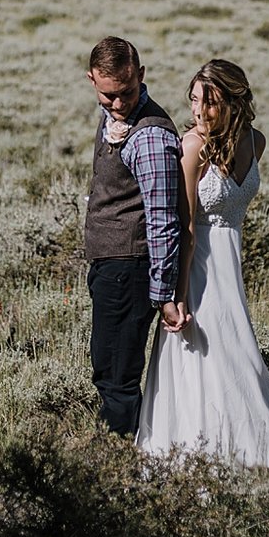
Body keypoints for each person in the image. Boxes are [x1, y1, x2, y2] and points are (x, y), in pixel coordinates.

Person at [136, 58, 269, 469]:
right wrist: (178, 296)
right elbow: (186, 229)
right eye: (193, 100)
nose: (197, 111)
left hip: (227, 266)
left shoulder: (255, 141)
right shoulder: (193, 146)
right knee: (207, 355)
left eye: (208, 103)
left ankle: (243, 449)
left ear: (231, 101)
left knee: (237, 354)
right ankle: (198, 452)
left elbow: (203, 225)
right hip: (201, 270)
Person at [84, 36, 187, 436]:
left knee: (117, 377)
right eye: (108, 96)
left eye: (126, 92)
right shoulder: (112, 117)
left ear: (141, 76)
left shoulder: (151, 136)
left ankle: (120, 463)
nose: (118, 104)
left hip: (130, 268)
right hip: (112, 265)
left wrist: (163, 295)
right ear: (92, 80)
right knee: (109, 367)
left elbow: (162, 221)